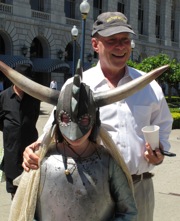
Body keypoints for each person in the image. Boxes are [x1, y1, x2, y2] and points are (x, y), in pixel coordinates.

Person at [1, 12, 172, 221]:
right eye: (112, 41)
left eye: (125, 40)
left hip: (141, 187)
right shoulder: (74, 87)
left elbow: (162, 128)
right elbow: (51, 134)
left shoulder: (150, 87)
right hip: (92, 187)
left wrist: (159, 152)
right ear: (95, 44)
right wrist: (32, 151)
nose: (121, 46)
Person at [8, 66, 137, 221]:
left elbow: (128, 212)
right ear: (56, 118)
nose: (74, 133)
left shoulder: (108, 162)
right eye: (65, 119)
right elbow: (28, 209)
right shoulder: (41, 161)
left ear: (94, 119)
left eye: (84, 119)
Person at [0, 64, 40, 200]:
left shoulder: (34, 98)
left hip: (30, 154)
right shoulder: (4, 97)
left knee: (30, 193)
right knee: (15, 194)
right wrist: (11, 130)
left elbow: (34, 118)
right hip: (11, 152)